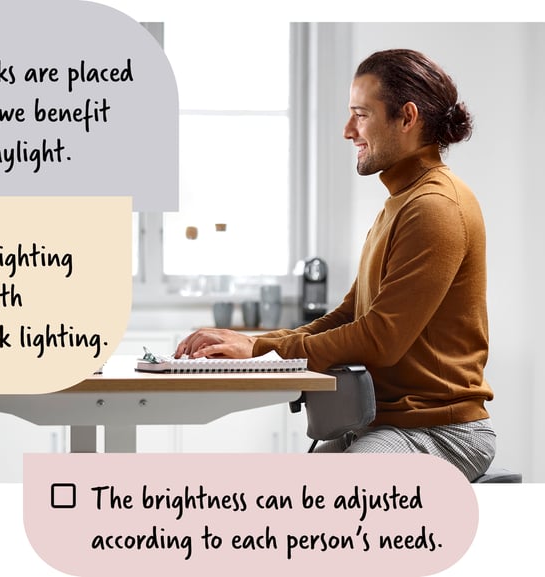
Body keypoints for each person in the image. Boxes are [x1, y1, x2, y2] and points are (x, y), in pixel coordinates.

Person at [174, 49, 496, 481]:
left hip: (440, 431)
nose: (348, 131)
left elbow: (380, 338)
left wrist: (263, 350)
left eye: (360, 115)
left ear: (407, 117)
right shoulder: (400, 204)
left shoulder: (435, 207)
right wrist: (257, 346)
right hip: (387, 426)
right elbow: (350, 315)